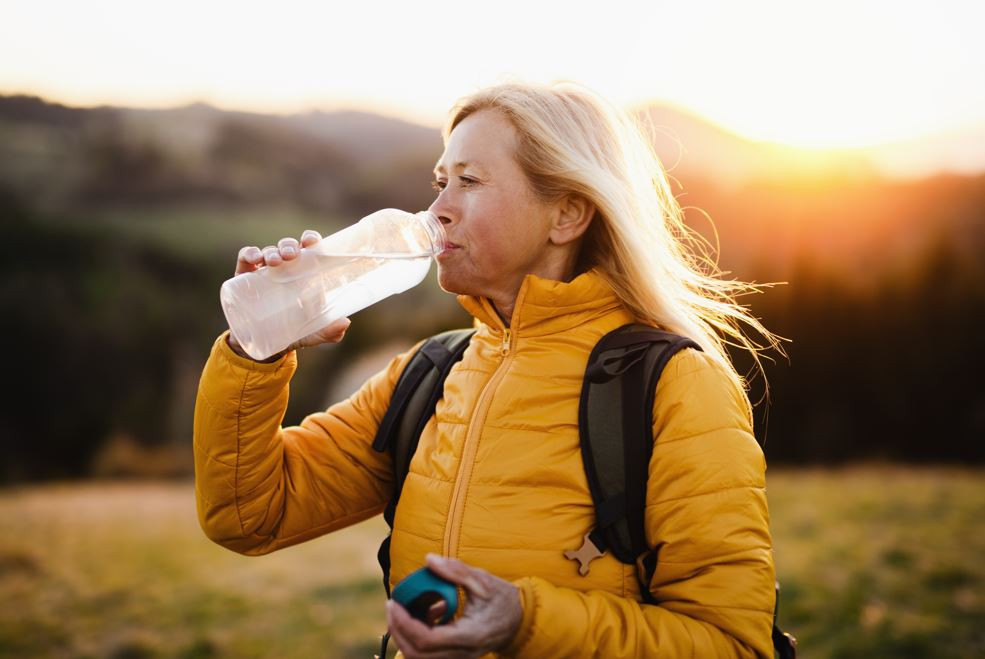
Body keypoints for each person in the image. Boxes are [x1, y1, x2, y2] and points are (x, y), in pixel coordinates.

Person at [194, 81, 784, 658]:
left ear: (567, 214)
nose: (438, 210)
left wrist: (525, 623)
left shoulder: (674, 385)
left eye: (469, 182)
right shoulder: (429, 375)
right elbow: (248, 516)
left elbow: (730, 643)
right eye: (440, 182)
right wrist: (257, 353)